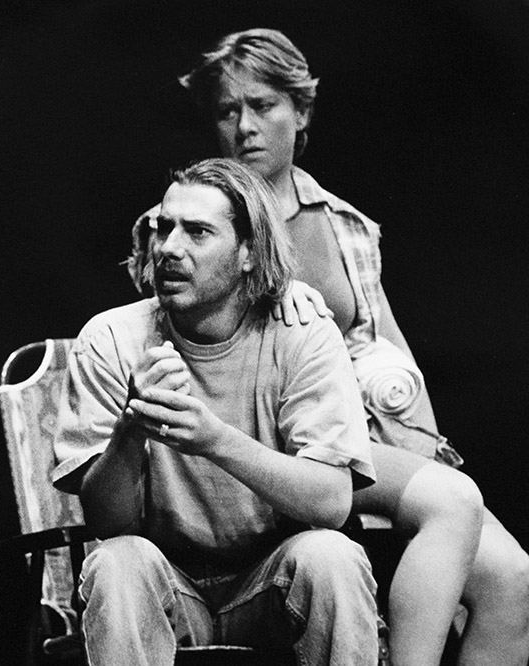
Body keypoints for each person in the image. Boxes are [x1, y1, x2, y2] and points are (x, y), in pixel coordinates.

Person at [133, 28, 529, 665]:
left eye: (263, 106)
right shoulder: (191, 224)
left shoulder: (345, 226)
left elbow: (388, 350)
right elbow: (161, 329)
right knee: (451, 505)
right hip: (267, 442)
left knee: (512, 576)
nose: (245, 127)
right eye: (228, 111)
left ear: (302, 111)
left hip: (362, 440)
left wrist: (429, 450)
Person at [54, 157, 380, 664]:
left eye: (198, 232)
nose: (169, 249)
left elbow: (332, 503)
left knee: (331, 556)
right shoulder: (113, 339)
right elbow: (105, 521)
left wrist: (217, 441)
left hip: (270, 580)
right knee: (115, 562)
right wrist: (130, 429)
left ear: (248, 252)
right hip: (166, 585)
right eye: (164, 229)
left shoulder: (301, 332)